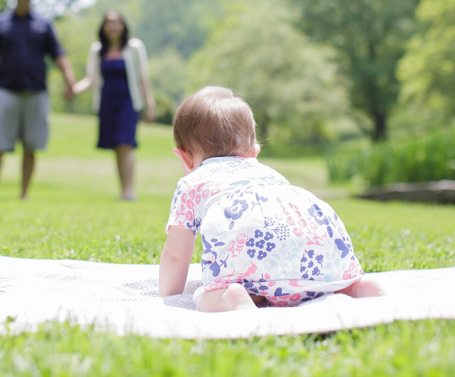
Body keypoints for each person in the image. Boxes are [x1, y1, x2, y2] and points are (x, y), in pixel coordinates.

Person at [158, 86, 379, 312]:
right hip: (315, 260)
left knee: (208, 296)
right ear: (254, 152)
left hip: (256, 273)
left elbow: (176, 254)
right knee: (326, 285)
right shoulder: (270, 175)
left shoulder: (192, 183)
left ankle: (233, 297)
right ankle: (353, 288)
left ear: (184, 157)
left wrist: (168, 297)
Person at [0, 0, 76, 200]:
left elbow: (58, 55)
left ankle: (24, 193)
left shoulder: (43, 24)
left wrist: (70, 81)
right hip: (5, 91)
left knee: (31, 146)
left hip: (36, 93)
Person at [73, 11, 155, 201]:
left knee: (126, 144)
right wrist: (74, 89)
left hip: (128, 102)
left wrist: (150, 104)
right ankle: (123, 189)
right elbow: (91, 79)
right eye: (109, 23)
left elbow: (143, 78)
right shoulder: (97, 50)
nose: (113, 26)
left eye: (116, 23)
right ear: (103, 27)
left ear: (123, 26)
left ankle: (129, 191)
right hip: (107, 103)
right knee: (116, 146)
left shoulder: (134, 47)